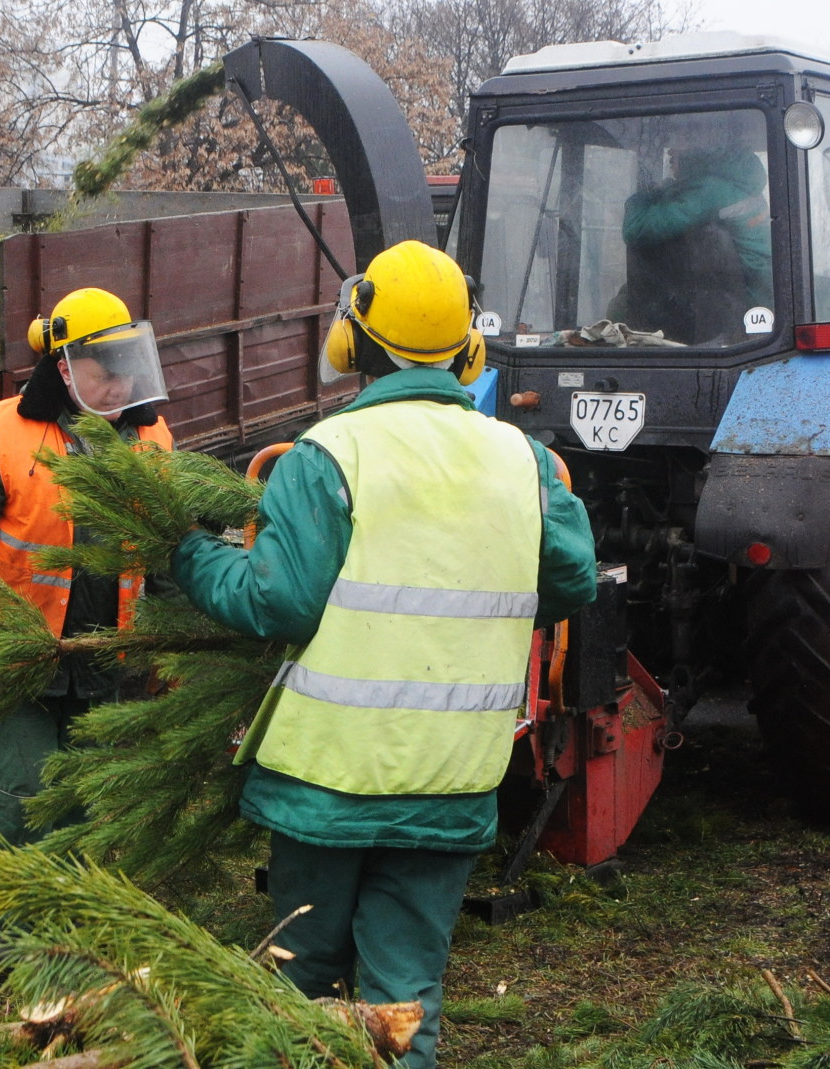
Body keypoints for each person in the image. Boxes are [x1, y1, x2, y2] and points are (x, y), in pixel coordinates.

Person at [169, 241, 597, 1069]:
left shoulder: (328, 455)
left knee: (303, 987)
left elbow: (275, 600)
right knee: (405, 1000)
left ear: (355, 341)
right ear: (467, 348)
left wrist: (186, 554)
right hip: (451, 779)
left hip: (327, 783)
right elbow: (573, 580)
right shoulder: (527, 461)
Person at [0, 286, 172, 893]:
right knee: (20, 794)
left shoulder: (153, 441)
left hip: (103, 662)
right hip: (17, 664)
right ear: (63, 369)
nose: (120, 388)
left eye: (127, 371)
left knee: (87, 799)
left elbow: (169, 551)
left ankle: (72, 923)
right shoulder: (5, 434)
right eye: (103, 374)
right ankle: (6, 925)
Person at [622, 145, 774, 310]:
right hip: (761, 287)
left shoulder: (709, 192)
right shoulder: (737, 185)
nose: (671, 154)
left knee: (622, 307)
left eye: (677, 151)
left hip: (744, 296)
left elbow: (636, 229)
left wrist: (642, 195)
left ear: (692, 157)